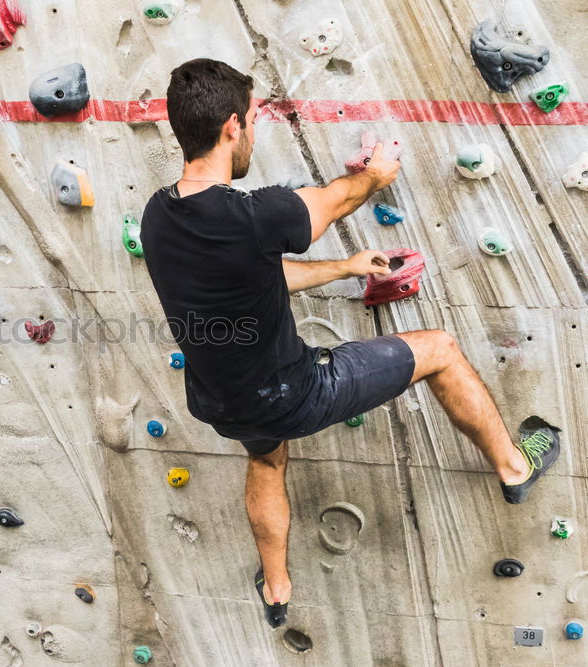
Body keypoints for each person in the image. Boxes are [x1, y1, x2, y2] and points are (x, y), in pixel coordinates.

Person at [139, 58, 561, 629]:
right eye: (256, 122)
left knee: (267, 457)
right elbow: (332, 202)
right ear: (232, 126)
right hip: (293, 393)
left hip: (219, 400)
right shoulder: (253, 215)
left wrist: (344, 267)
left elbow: (255, 278)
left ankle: (277, 589)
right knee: (438, 347)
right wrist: (375, 174)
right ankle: (515, 468)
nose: (255, 136)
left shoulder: (160, 215)